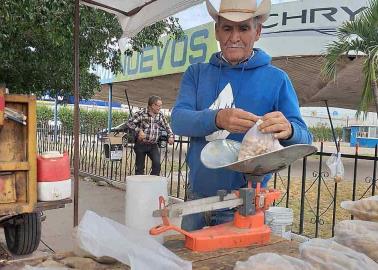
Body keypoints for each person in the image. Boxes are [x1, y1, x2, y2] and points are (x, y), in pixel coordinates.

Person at [171, 0, 313, 231]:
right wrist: (217, 118)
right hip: (196, 199)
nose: (234, 37)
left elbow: (305, 138)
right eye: (227, 28)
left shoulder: (277, 79)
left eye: (244, 28)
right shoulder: (196, 73)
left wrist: (289, 130)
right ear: (216, 31)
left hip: (244, 205)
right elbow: (178, 120)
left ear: (257, 32)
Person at [126, 95, 174, 175]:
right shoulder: (141, 113)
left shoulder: (160, 115)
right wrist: (139, 131)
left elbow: (167, 126)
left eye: (161, 105)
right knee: (140, 168)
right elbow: (129, 123)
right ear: (152, 105)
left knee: (157, 164)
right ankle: (140, 186)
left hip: (153, 145)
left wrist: (171, 135)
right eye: (158, 106)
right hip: (141, 144)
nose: (160, 108)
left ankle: (152, 184)